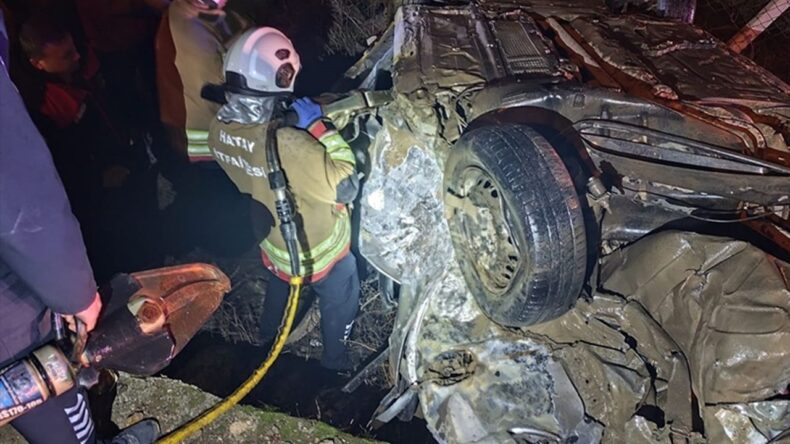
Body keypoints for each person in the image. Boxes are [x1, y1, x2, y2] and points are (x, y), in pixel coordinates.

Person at [0, 12, 158, 444]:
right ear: (37, 64)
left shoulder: (79, 79)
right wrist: (75, 294)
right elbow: (20, 200)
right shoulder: (47, 103)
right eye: (65, 54)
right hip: (8, 321)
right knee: (49, 386)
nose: (76, 56)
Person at [207, 27, 361, 371]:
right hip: (320, 251)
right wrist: (321, 129)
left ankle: (266, 338)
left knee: (280, 285)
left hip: (273, 241)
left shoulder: (218, 129)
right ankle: (335, 362)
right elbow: (346, 185)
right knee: (343, 293)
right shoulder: (288, 144)